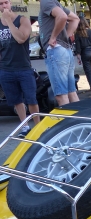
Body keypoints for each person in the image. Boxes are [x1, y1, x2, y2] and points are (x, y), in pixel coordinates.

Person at [0, 0, 40, 137]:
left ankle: (38, 126)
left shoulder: (22, 20)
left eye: (6, 2)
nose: (4, 6)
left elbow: (21, 39)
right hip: (5, 69)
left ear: (10, 4)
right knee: (16, 101)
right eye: (0, 4)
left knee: (31, 99)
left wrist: (9, 21)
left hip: (23, 67)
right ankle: (25, 126)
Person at [38, 0, 79, 106]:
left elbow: (62, 16)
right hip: (65, 50)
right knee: (71, 93)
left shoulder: (46, 2)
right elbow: (75, 18)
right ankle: (80, 121)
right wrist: (66, 37)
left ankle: (69, 122)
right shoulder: (55, 3)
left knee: (61, 96)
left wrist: (53, 37)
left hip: (56, 51)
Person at [74, 16, 91, 98]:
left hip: (85, 53)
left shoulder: (78, 34)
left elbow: (78, 48)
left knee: (89, 73)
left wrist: (78, 57)